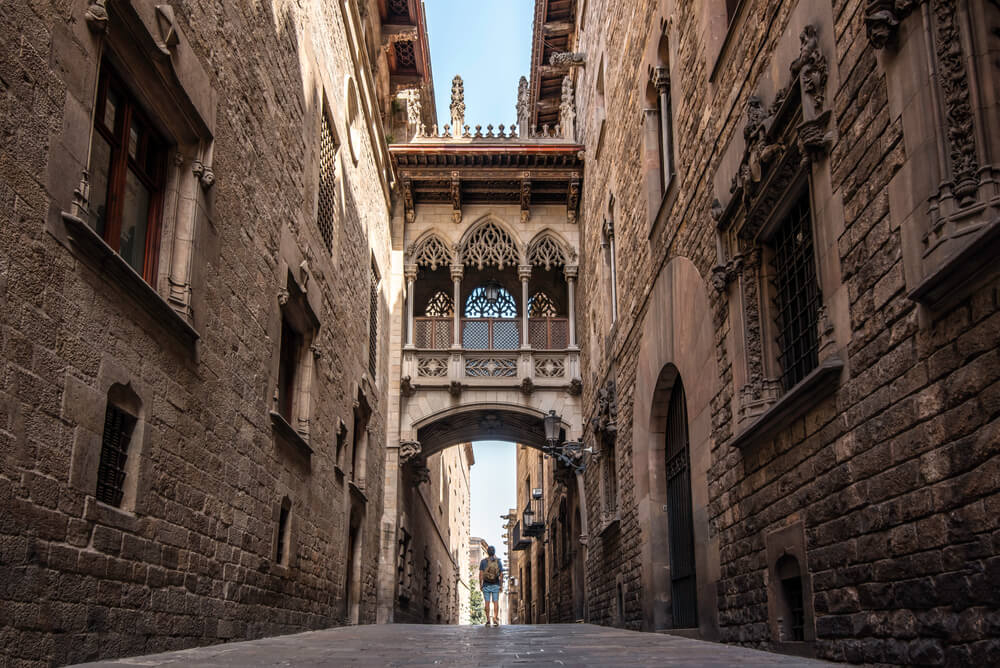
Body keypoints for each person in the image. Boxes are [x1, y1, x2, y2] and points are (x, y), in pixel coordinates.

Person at [478, 545, 503, 627]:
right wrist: (501, 585)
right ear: (494, 552)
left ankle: (488, 619)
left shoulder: (483, 561)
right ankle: (495, 618)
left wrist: (480, 584)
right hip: (495, 584)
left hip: (486, 585)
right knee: (495, 602)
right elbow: (501, 574)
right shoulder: (498, 561)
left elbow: (481, 574)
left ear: (487, 552)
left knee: (487, 603)